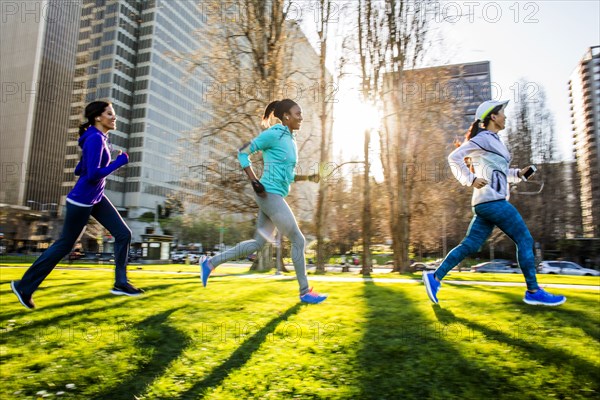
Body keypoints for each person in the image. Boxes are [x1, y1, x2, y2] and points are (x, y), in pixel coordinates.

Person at [423, 100, 566, 306]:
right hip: (494, 202)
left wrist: (519, 174)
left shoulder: (493, 140)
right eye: (502, 113)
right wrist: (470, 179)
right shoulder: (484, 139)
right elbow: (454, 158)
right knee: (525, 240)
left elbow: (498, 173)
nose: (505, 117)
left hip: (484, 204)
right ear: (493, 117)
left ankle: (434, 278)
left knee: (469, 245)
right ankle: (533, 291)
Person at [11, 101, 143, 309]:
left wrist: (93, 163)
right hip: (82, 200)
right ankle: (24, 287)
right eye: (110, 113)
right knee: (64, 245)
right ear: (98, 117)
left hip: (96, 198)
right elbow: (91, 176)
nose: (114, 117)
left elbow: (80, 170)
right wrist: (119, 162)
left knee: (123, 234)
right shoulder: (95, 139)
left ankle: (121, 282)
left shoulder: (99, 138)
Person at [199, 99, 327, 304]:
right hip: (268, 194)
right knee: (298, 239)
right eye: (298, 113)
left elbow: (288, 175)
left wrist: (308, 178)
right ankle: (305, 292)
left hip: (274, 195)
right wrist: (253, 181)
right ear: (286, 116)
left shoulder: (291, 141)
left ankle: (210, 263)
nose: (301, 117)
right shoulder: (274, 134)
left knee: (257, 244)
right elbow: (243, 152)